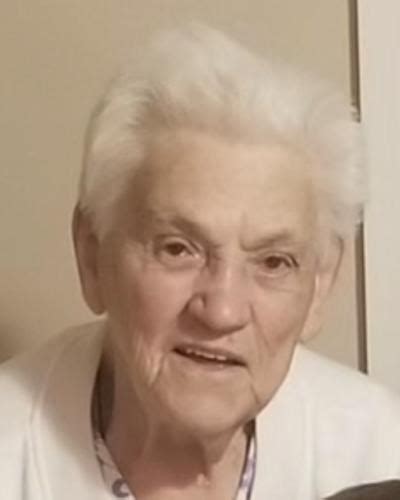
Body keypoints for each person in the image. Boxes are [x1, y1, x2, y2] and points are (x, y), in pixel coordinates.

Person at [1, 25, 400, 500]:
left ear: (320, 284)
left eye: (274, 262)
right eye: (178, 249)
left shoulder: (378, 452)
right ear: (92, 256)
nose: (222, 311)